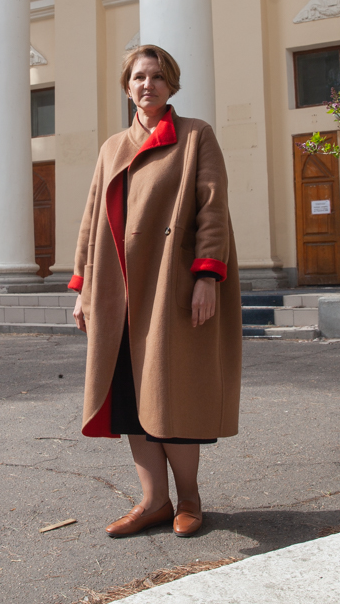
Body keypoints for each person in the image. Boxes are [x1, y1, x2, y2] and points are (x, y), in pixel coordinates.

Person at [69, 44, 242, 539]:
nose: (148, 85)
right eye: (140, 77)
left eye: (158, 77)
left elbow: (212, 208)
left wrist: (207, 276)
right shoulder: (111, 148)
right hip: (116, 292)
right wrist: (82, 286)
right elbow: (90, 221)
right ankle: (153, 502)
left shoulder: (195, 136)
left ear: (172, 85)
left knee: (172, 394)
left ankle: (189, 498)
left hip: (171, 285)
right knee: (128, 399)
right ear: (128, 87)